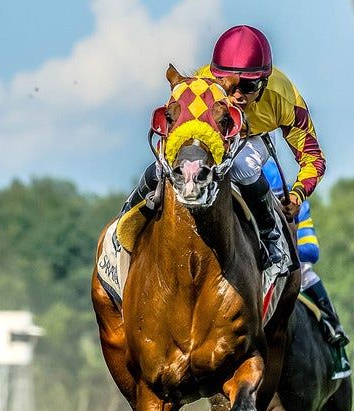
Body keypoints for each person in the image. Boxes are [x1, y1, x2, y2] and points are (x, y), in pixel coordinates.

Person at [123, 25, 325, 271]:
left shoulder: (285, 99)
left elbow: (313, 157)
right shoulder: (199, 84)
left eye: (248, 87)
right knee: (167, 161)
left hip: (250, 137)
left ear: (264, 82)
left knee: (243, 164)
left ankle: (269, 231)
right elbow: (173, 134)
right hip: (208, 133)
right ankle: (128, 211)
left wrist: (297, 194)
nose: (236, 96)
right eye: (229, 86)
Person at [263, 159, 348, 349]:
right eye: (273, 200)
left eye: (281, 198)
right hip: (260, 267)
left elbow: (311, 251)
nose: (278, 207)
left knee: (306, 272)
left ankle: (333, 324)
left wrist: (283, 249)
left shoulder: (298, 206)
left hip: (290, 269)